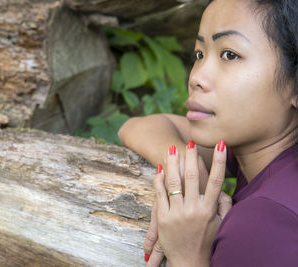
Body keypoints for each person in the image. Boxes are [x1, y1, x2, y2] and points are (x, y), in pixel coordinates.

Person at [118, 0, 298, 266]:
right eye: (200, 54)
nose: (196, 77)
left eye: (230, 55)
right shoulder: (262, 156)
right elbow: (137, 127)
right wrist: (182, 168)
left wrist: (188, 255)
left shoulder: (264, 224)